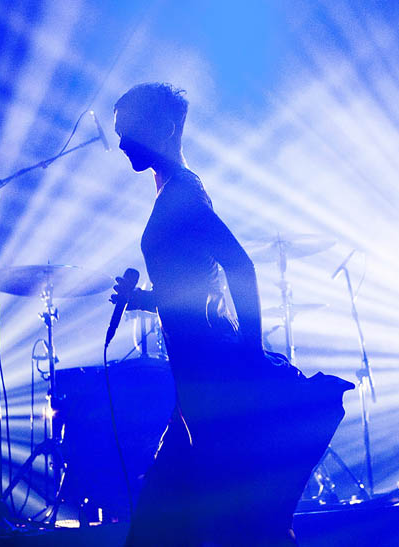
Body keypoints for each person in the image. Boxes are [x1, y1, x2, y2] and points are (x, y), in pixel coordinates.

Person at [111, 83, 352, 546]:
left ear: (162, 129)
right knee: (207, 523)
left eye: (129, 133)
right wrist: (144, 299)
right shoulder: (174, 192)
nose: (120, 144)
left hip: (213, 382)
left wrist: (251, 352)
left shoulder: (183, 192)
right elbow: (193, 292)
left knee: (220, 524)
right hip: (196, 388)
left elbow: (240, 264)